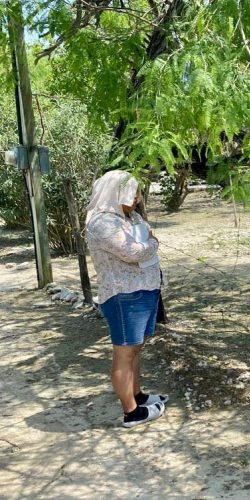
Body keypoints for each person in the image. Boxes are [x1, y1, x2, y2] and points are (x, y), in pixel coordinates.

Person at [86, 170, 168, 428]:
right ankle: (131, 412)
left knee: (135, 348)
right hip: (124, 296)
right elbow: (133, 251)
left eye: (137, 193)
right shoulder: (102, 222)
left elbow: (144, 241)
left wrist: (149, 243)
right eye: (131, 193)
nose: (137, 198)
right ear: (114, 192)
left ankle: (137, 395)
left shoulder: (131, 218)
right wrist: (152, 243)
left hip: (145, 290)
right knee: (124, 352)